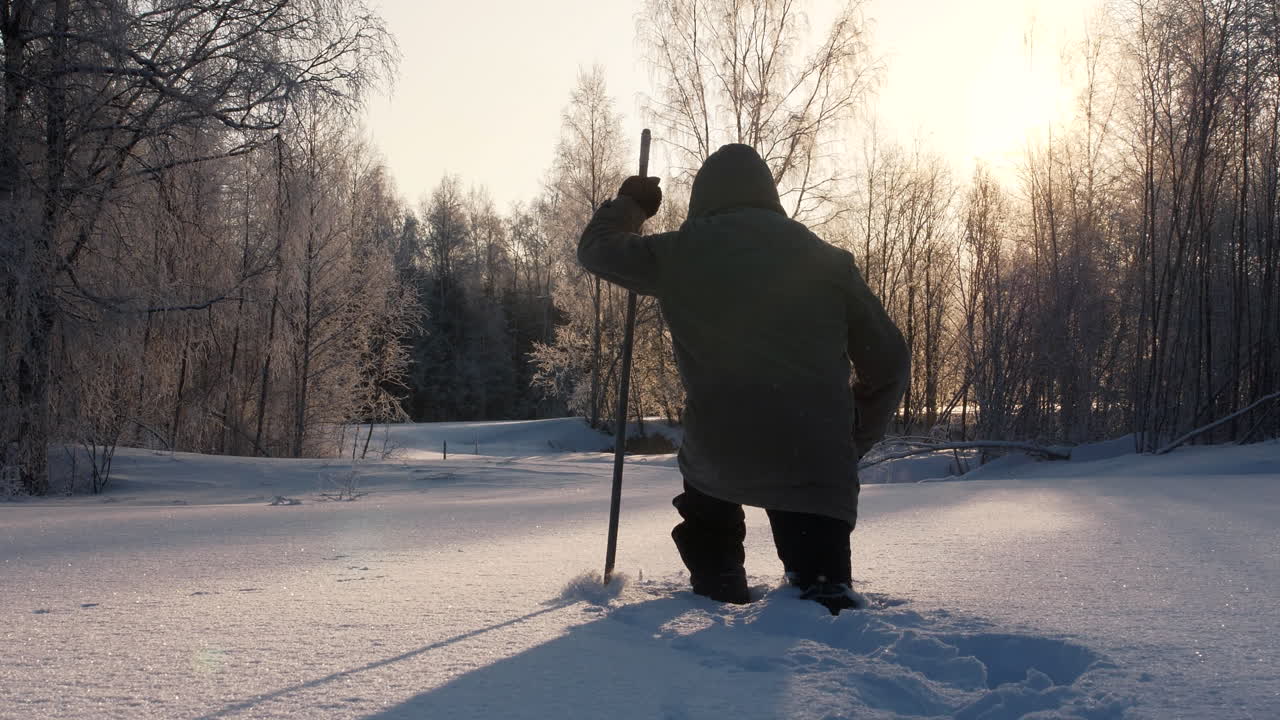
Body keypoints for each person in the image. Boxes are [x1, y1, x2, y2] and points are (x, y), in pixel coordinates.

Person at [578, 143, 909, 615]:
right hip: (814, 463)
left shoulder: (681, 254)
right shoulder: (828, 263)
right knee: (824, 608)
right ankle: (826, 629)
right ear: (768, 195)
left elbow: (596, 250)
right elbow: (890, 363)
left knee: (712, 551)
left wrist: (630, 205)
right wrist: (852, 435)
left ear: (702, 198)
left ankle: (719, 596)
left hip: (719, 457)